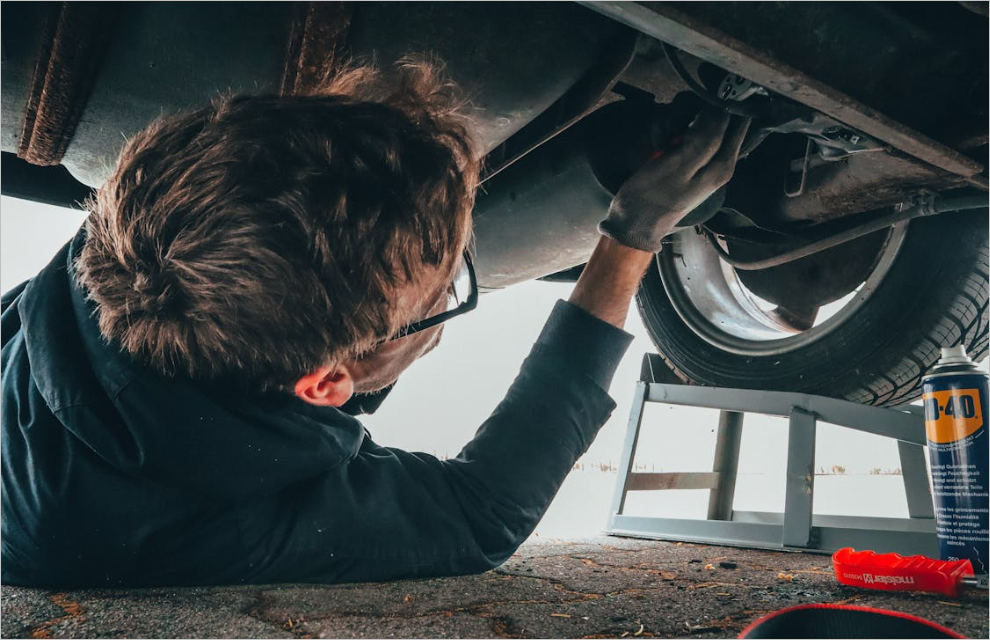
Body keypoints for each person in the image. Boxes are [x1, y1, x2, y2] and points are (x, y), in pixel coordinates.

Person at [0, 61, 749, 587]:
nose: (448, 293)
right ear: (325, 383)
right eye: (443, 293)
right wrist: (630, 236)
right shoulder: (194, 523)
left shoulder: (145, 233)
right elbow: (482, 514)